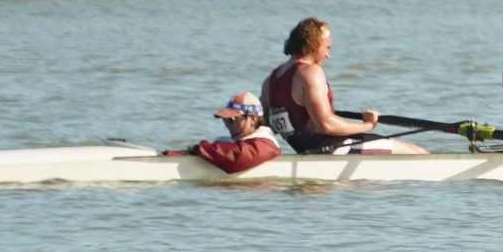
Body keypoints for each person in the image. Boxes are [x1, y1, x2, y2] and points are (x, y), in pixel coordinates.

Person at [262, 17, 427, 155]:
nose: (328, 54)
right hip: (332, 148)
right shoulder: (311, 72)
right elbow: (325, 125)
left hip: (303, 149)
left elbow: (270, 126)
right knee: (416, 152)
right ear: (314, 44)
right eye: (327, 47)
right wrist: (367, 125)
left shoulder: (270, 81)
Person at [162, 91, 281, 174]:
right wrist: (168, 154)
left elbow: (236, 159)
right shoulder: (225, 143)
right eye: (225, 119)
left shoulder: (267, 144)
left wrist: (199, 150)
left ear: (253, 119)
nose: (226, 124)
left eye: (232, 119)